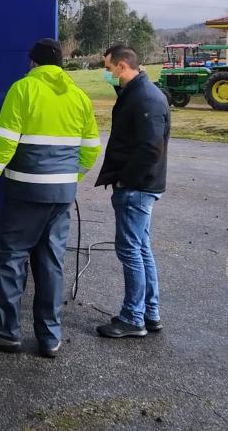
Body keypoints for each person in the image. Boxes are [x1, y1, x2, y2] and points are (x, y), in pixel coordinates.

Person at [0, 38, 101, 358]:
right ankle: (50, 339)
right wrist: (71, 178)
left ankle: (7, 333)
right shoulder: (79, 96)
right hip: (61, 195)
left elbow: (4, 145)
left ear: (33, 63)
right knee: (51, 262)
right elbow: (91, 149)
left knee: (13, 258)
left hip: (26, 193)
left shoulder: (23, 90)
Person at [95, 44, 169, 338]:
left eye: (108, 68)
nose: (106, 74)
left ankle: (133, 317)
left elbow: (151, 147)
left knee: (130, 252)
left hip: (137, 188)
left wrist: (127, 180)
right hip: (141, 186)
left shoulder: (146, 98)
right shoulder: (138, 93)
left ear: (123, 66)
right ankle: (150, 313)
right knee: (141, 249)